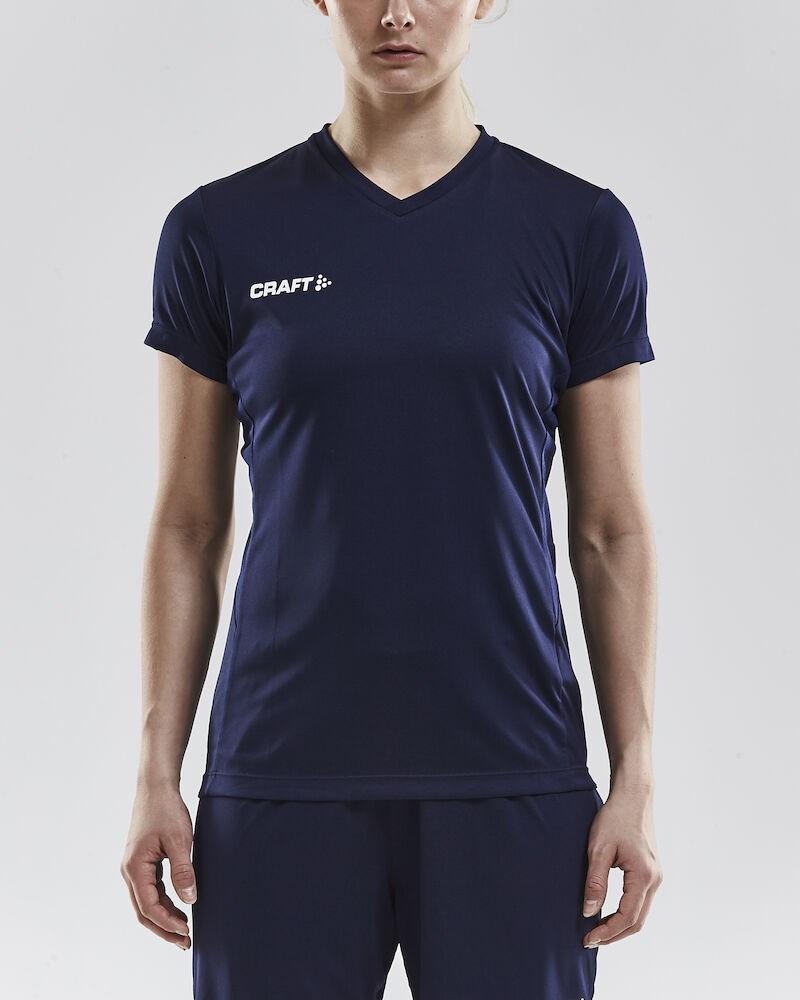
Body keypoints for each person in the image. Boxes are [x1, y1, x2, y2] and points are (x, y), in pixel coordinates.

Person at [120, 1, 663, 997]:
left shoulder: (579, 228)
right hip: (281, 776)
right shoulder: (219, 229)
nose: (399, 13)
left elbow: (608, 529)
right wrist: (156, 769)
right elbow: (188, 527)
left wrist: (635, 776)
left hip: (512, 772)